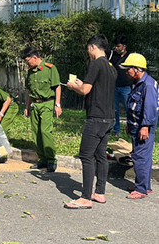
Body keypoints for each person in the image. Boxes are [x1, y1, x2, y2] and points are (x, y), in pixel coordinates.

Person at [65, 34, 117, 209]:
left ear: (93, 47)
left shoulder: (95, 64)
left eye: (88, 49)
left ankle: (86, 197)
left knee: (86, 155)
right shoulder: (111, 67)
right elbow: (96, 87)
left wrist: (74, 87)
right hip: (109, 118)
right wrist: (82, 84)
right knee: (101, 155)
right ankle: (100, 192)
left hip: (95, 117)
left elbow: (85, 90)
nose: (88, 52)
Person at [119, 53, 158, 199]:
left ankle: (141, 190)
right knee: (144, 156)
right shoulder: (138, 83)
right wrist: (130, 124)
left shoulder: (147, 85)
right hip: (137, 126)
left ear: (137, 69)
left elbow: (150, 107)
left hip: (143, 127)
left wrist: (145, 126)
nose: (126, 71)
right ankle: (145, 185)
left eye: (128, 68)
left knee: (140, 156)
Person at [21, 46, 62, 172]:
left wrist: (57, 104)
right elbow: (30, 91)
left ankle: (51, 160)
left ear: (35, 57)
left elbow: (57, 87)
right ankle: (42, 160)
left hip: (47, 103)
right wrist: (27, 107)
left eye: (28, 61)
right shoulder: (30, 72)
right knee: (36, 132)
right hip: (34, 105)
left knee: (45, 131)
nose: (27, 64)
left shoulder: (50, 68)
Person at [108, 35, 131, 136]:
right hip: (114, 87)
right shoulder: (112, 55)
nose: (116, 48)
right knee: (115, 110)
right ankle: (116, 131)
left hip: (126, 87)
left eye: (118, 46)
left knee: (129, 109)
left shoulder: (130, 57)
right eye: (116, 46)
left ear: (124, 46)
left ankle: (130, 129)